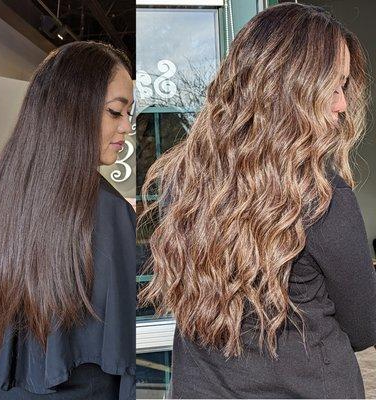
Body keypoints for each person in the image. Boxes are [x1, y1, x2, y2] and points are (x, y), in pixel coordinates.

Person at [138, 3, 376, 399]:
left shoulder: (180, 184)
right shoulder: (324, 198)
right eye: (332, 87)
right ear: (289, 91)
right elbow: (365, 328)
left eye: (344, 86)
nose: (342, 104)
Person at [0, 41, 136, 400]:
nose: (127, 127)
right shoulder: (110, 213)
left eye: (128, 113)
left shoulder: (6, 197)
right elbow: (124, 363)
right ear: (72, 111)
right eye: (115, 112)